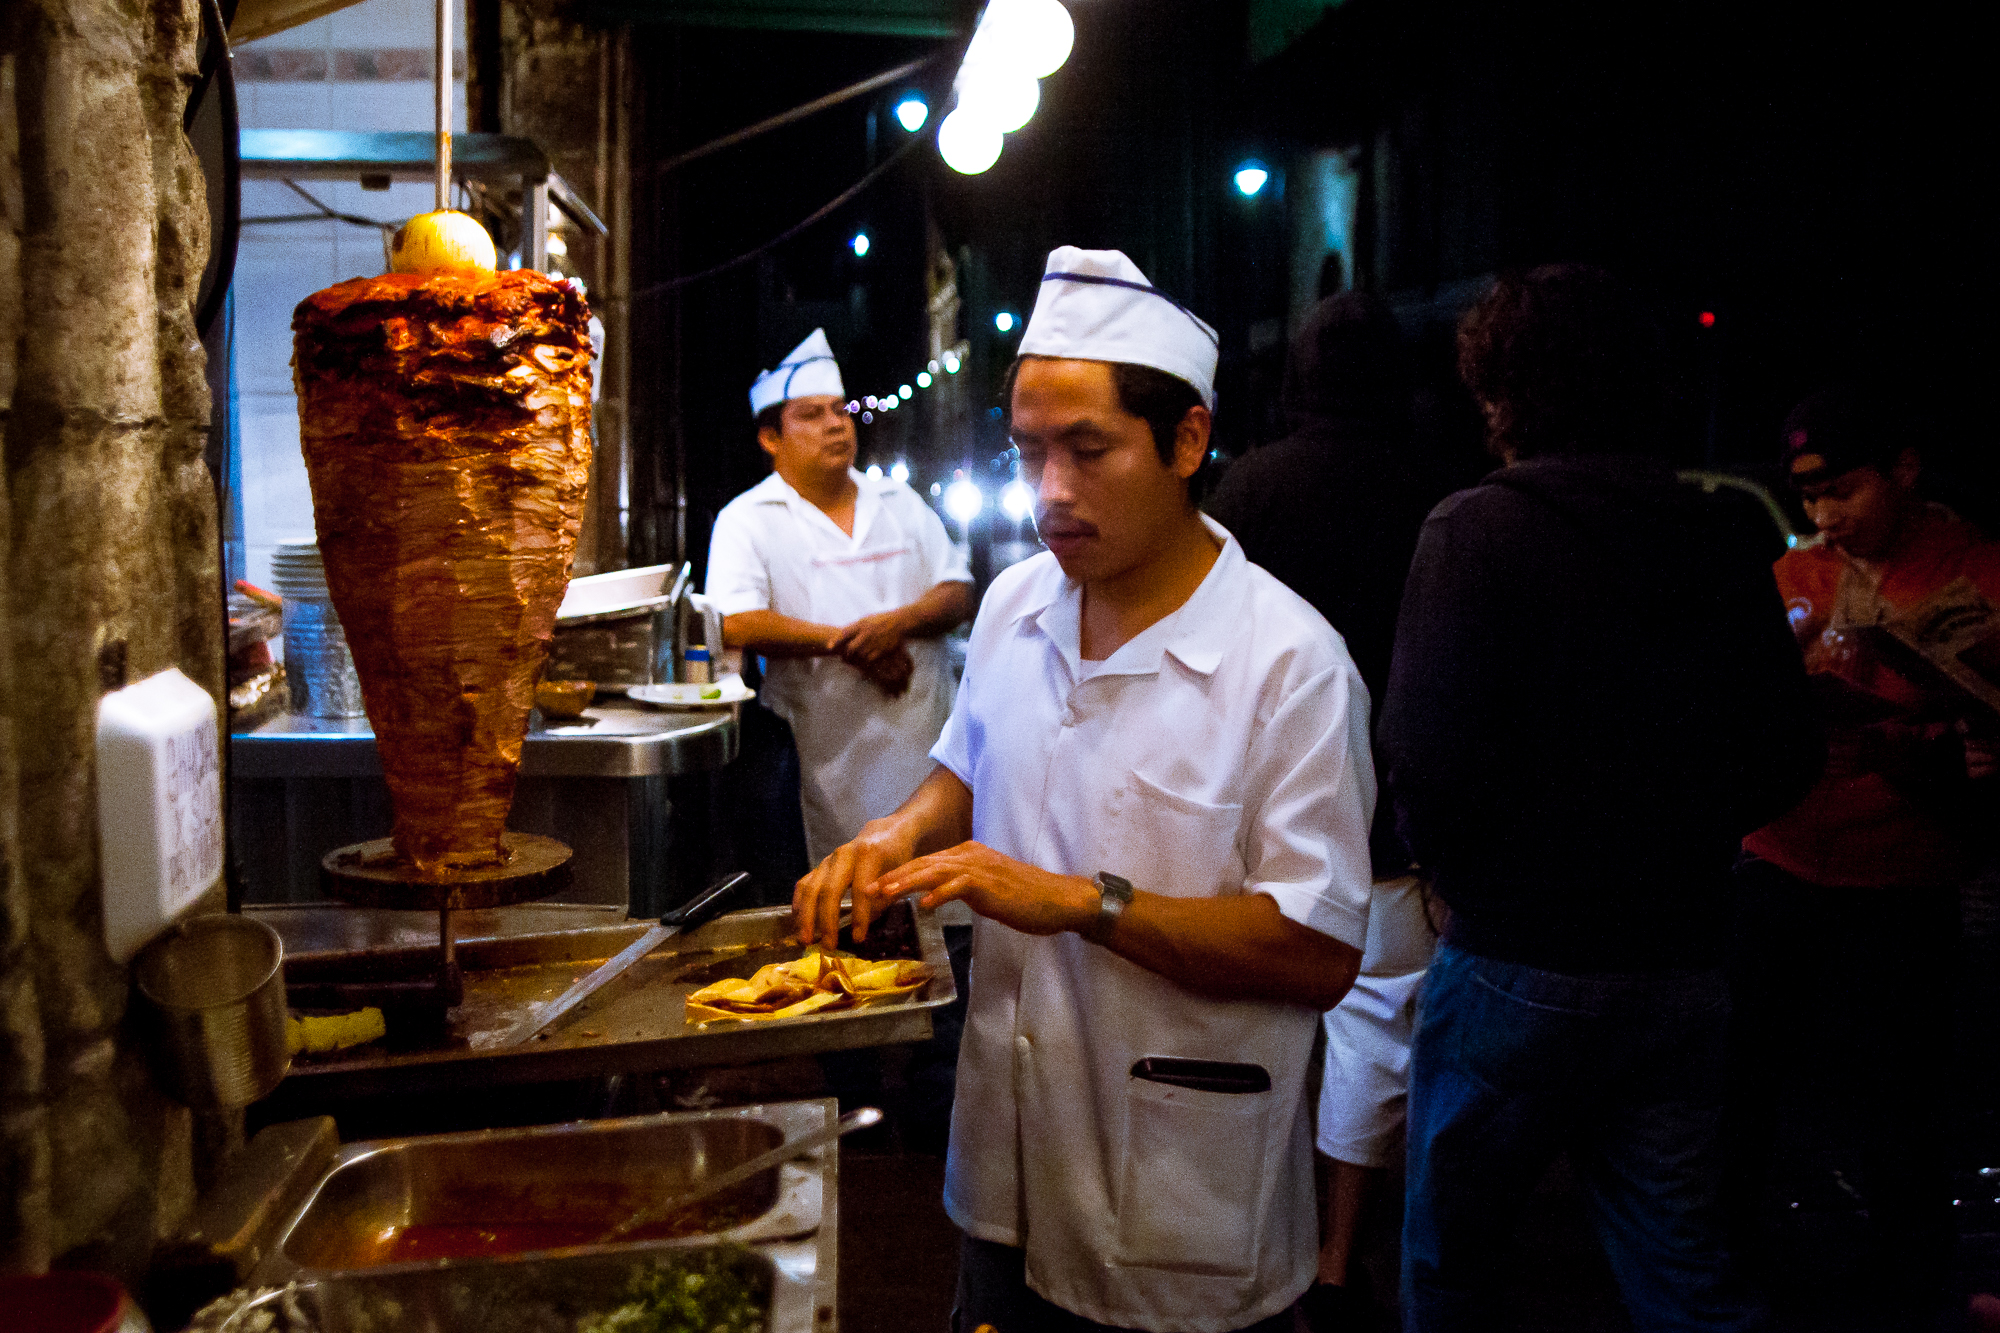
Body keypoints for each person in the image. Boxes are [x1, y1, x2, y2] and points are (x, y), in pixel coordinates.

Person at [794, 248, 1376, 1333]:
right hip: (1006, 1170)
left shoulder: (1287, 665)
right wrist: (893, 832)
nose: (1048, 490)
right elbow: (966, 766)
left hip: (1180, 1204)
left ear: (1187, 441)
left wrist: (1077, 901)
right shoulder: (1020, 601)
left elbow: (1318, 950)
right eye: (1027, 451)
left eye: (1088, 449)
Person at [1383, 264, 1823, 1332]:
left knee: (1454, 1262)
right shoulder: (1720, 534)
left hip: (1515, 959)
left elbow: (1420, 752)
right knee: (1678, 1260)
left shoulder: (1474, 530)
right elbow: (1783, 751)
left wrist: (1453, 875)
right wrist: (1689, 837)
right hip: (1679, 959)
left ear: (1498, 393)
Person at [1207, 292, 1457, 1330]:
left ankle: (1239, 1229)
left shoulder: (1249, 486)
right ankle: (1337, 1255)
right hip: (1392, 815)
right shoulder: (1438, 491)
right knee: (1371, 1038)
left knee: (1247, 1024)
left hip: (1256, 799)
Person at [1731, 388, 2000, 1330]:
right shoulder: (1791, 579)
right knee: (1753, 1087)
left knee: (1902, 1108)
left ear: (1907, 470)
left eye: (1843, 489)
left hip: (1906, 875)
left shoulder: (1981, 571)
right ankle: (1749, 1273)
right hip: (1783, 861)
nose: (1825, 515)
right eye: (1809, 497)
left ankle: (1905, 1290)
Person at [705, 328, 977, 869]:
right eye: (811, 415)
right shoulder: (747, 519)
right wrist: (853, 642)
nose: (835, 424)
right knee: (841, 906)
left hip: (925, 738)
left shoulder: (898, 501)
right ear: (770, 438)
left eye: (840, 410)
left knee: (939, 902)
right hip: (823, 750)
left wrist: (894, 625)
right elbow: (736, 623)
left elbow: (958, 592)